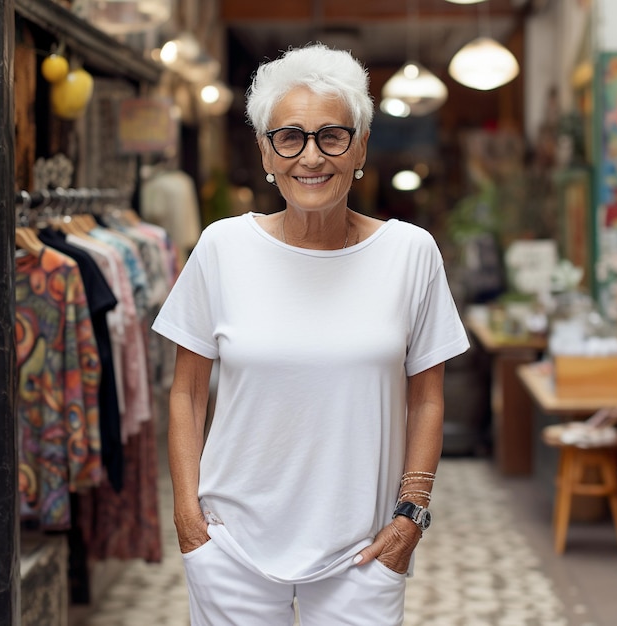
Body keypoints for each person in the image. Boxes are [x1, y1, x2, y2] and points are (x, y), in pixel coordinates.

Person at [152, 43, 469, 626]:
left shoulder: (410, 253)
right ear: (266, 152)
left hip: (366, 551)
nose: (311, 157)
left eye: (332, 136)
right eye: (290, 137)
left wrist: (410, 518)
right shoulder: (222, 248)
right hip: (231, 547)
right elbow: (187, 393)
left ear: (361, 148)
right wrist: (188, 521)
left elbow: (426, 398)